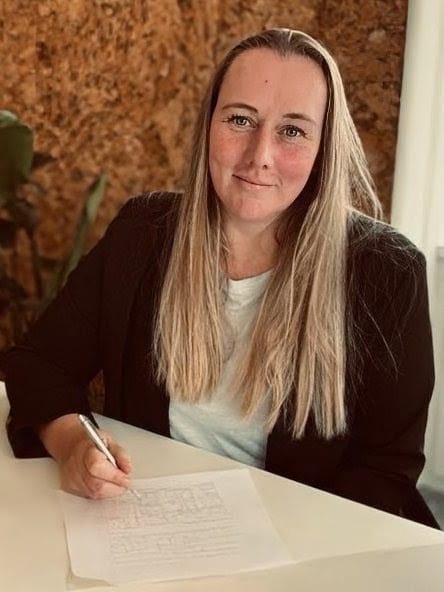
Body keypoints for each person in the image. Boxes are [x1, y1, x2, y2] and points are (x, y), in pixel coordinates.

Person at [1, 29, 436, 524]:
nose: (260, 155)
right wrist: (73, 442)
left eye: (293, 131)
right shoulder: (143, 233)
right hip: (146, 525)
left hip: (305, 539)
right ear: (209, 124)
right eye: (240, 119)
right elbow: (40, 364)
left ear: (324, 148)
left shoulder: (388, 271)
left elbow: (385, 470)